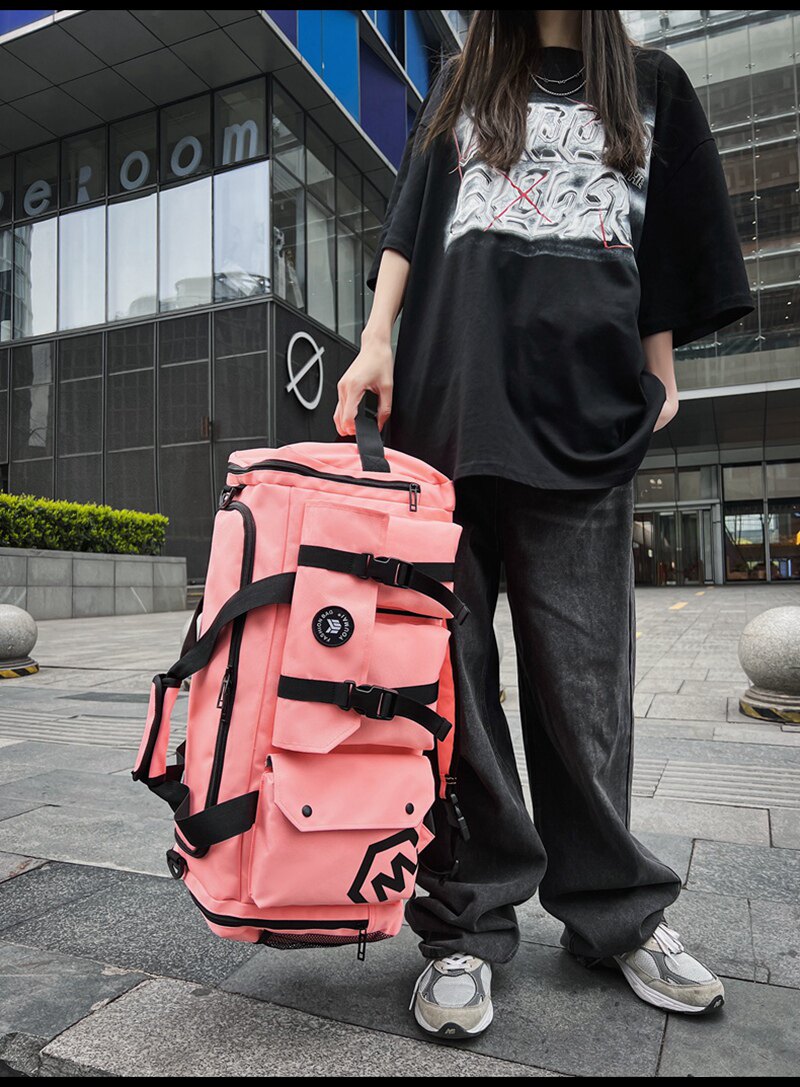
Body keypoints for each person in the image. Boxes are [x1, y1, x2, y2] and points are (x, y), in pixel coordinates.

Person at [334, 9, 753, 1038]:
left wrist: (658, 372)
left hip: (585, 409)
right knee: (453, 687)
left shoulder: (652, 85)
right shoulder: (463, 79)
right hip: (450, 405)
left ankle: (614, 913)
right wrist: (375, 340)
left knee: (584, 688)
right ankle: (466, 925)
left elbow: (666, 240)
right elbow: (408, 222)